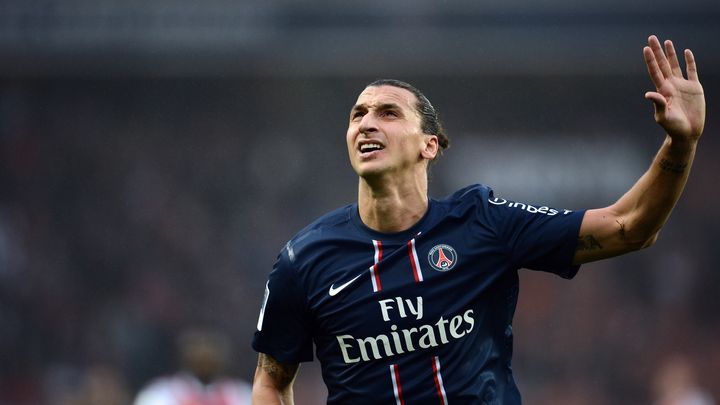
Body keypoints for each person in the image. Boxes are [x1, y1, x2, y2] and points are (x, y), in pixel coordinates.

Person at [251, 35, 705, 404]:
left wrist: (680, 145)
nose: (366, 123)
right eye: (357, 115)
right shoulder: (305, 258)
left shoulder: (481, 223)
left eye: (388, 113)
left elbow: (630, 227)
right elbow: (271, 381)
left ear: (429, 145)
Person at [134, 328, 252, 405]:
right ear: (184, 354)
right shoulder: (159, 395)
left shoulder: (242, 395)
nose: (204, 354)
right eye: (197, 348)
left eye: (210, 347)